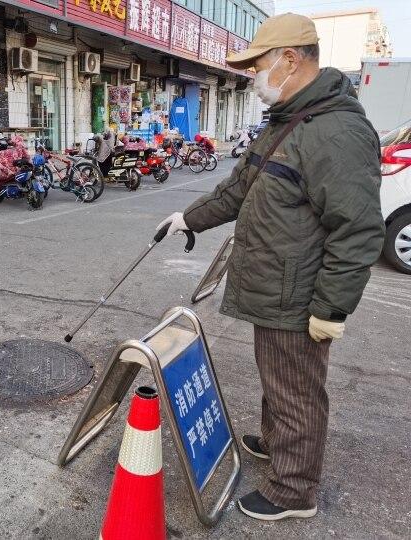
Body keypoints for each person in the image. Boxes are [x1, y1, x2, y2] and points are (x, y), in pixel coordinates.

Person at [157, 13, 385, 521]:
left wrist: (330, 308)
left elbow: (359, 229)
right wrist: (188, 219)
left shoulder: (336, 132)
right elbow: (238, 190)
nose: (252, 78)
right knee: (279, 377)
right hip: (275, 286)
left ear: (289, 60)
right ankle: (281, 442)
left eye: (257, 66)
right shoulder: (290, 122)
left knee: (297, 389)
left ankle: (293, 491)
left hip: (299, 296)